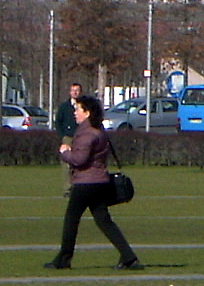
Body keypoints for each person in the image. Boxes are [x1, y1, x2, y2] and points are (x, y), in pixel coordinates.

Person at [45, 92, 141, 270]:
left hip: (86, 183)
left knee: (71, 219)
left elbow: (79, 160)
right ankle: (129, 257)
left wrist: (65, 152)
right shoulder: (98, 130)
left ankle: (64, 259)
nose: (75, 113)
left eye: (78, 109)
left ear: (87, 113)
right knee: (104, 221)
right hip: (99, 181)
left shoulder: (87, 133)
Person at [54, 81, 84, 147]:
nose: (75, 92)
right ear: (70, 92)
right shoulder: (64, 106)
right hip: (68, 138)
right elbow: (58, 122)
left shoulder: (85, 106)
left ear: (81, 92)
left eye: (77, 90)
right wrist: (62, 136)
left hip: (82, 137)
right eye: (73, 90)